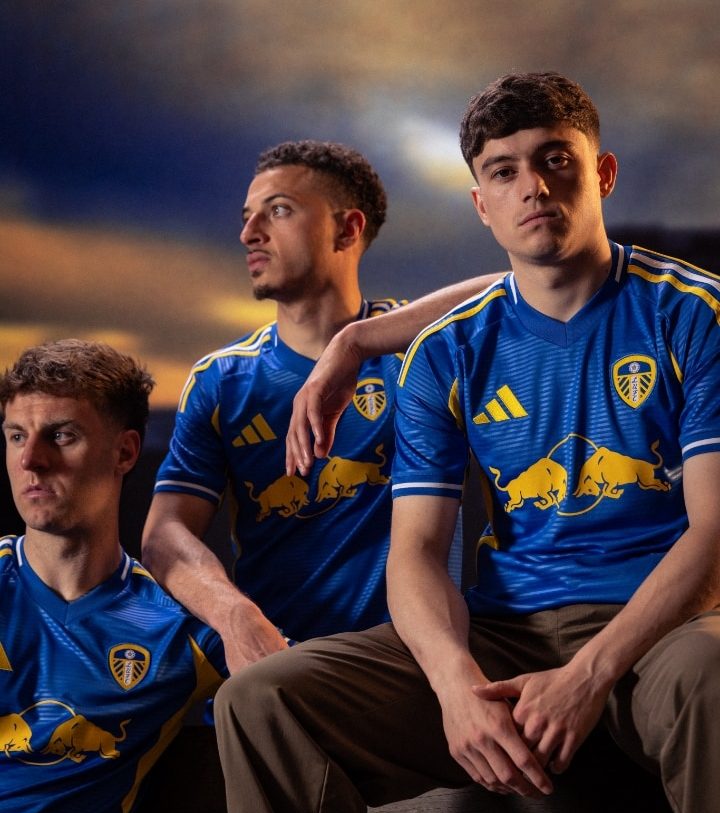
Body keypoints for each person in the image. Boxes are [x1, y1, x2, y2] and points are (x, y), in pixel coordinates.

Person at [213, 72, 720, 813]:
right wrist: (455, 687)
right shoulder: (446, 351)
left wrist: (587, 676)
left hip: (664, 628)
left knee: (714, 675)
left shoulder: (693, 314)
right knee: (261, 699)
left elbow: (715, 533)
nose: (533, 187)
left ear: (603, 173)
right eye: (503, 172)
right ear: (482, 205)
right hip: (508, 630)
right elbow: (417, 553)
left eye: (556, 160)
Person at [142, 140, 500, 671]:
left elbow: (516, 289)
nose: (249, 233)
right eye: (246, 217)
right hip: (277, 666)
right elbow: (163, 535)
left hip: (415, 667)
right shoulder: (222, 380)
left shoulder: (423, 348)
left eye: (278, 210)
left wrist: (355, 342)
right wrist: (234, 616)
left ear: (347, 229)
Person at [0, 339, 227, 813]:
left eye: (61, 435)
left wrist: (237, 615)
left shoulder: (177, 629)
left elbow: (298, 689)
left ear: (124, 452)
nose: (30, 460)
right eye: (17, 436)